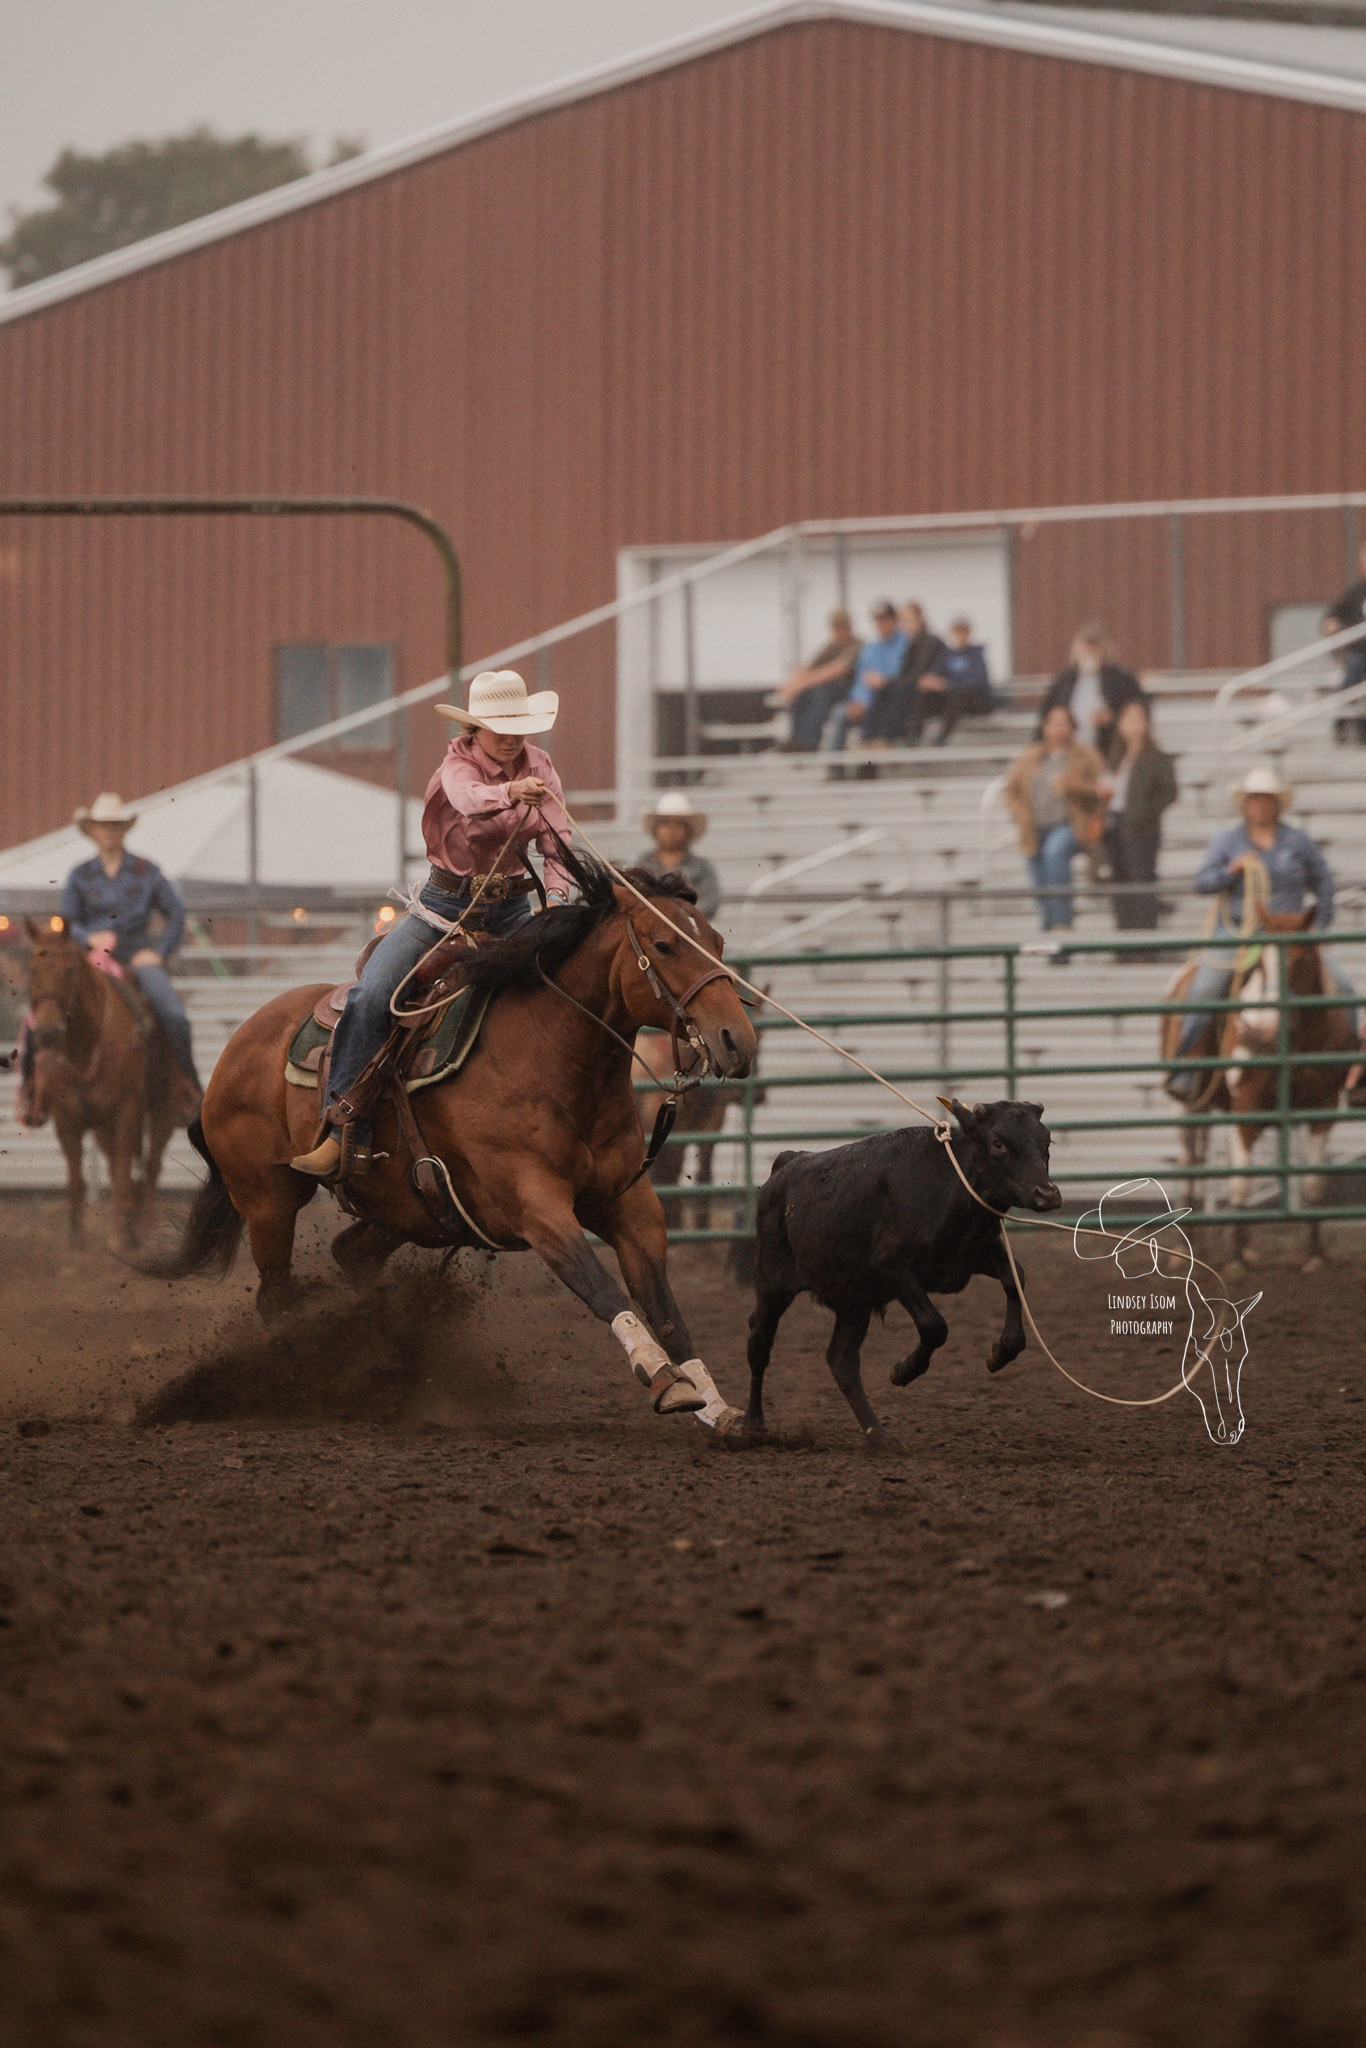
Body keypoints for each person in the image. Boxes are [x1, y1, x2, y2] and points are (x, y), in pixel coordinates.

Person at [291, 669, 574, 1178]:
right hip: (443, 910)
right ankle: (343, 1126)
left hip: (514, 908)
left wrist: (554, 902)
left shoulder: (541, 766)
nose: (510, 736)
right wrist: (513, 791)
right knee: (373, 994)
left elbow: (558, 845)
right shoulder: (457, 764)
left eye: (517, 724)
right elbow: (467, 800)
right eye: (498, 725)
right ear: (475, 729)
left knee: (560, 994)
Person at [1166, 764, 1353, 1100]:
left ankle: (1351, 1070)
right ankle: (1187, 1069)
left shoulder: (1297, 841)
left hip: (1293, 935)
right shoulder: (1228, 841)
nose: (1261, 805)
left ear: (1277, 803)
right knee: (1205, 987)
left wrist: (1319, 927)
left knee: (1343, 986)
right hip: (1240, 932)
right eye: (1255, 798)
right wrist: (1231, 870)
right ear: (1246, 803)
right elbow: (1202, 882)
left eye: (1267, 798)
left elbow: (1324, 882)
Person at [50, 791, 201, 1100]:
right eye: (102, 825)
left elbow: (176, 912)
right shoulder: (79, 875)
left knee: (174, 1016)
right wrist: (88, 938)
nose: (108, 831)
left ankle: (189, 1088)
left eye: (114, 825)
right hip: (93, 960)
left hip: (136, 957)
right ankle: (38, 1092)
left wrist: (158, 954)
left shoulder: (147, 871)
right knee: (44, 1014)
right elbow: (67, 922)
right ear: (92, 830)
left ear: (123, 829)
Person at [1002, 704, 1106, 955]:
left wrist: (1071, 785)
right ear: (1044, 727)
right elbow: (1011, 789)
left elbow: (1101, 790)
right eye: (1052, 723)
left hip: (1070, 825)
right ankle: (1049, 931)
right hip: (1035, 827)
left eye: (1063, 723)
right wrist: (1018, 811)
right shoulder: (1031, 756)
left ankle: (1062, 924)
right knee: (1039, 880)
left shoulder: (1085, 756)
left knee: (1055, 853)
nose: (1058, 729)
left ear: (1072, 726)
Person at [1100, 698, 1178, 940]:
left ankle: (1145, 941)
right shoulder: (1116, 757)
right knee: (1119, 883)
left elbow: (1169, 791)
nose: (1132, 725)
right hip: (1115, 826)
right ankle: (1124, 939)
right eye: (1127, 719)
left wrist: (1146, 812)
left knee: (1141, 882)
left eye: (1137, 719)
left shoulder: (1154, 757)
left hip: (1141, 830)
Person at [1039, 624, 1144, 755]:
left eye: (1093, 649)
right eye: (1084, 649)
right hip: (1069, 753)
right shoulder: (1064, 681)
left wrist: (1112, 717)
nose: (1088, 654)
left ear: (1104, 650)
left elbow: (1138, 709)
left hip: (1110, 751)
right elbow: (1047, 714)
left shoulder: (1122, 679)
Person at [823, 600, 906, 751]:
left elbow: (897, 677)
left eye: (885, 619)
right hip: (868, 701)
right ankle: (835, 767)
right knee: (840, 713)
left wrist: (880, 684)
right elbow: (861, 680)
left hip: (888, 701)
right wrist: (858, 701)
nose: (881, 624)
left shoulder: (905, 645)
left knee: (880, 707)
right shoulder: (870, 648)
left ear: (894, 620)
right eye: (878, 620)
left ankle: (870, 754)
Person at [863, 601, 945, 745]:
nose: (904, 625)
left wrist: (887, 681)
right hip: (915, 693)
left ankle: (885, 739)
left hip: (932, 697)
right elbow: (906, 676)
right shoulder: (909, 644)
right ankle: (868, 740)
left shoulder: (929, 642)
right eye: (902, 621)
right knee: (883, 692)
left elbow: (918, 676)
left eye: (908, 621)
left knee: (897, 691)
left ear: (920, 619)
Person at [780, 608, 861, 751]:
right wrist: (792, 685)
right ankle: (795, 740)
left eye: (842, 626)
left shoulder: (857, 645)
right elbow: (808, 668)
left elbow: (837, 669)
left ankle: (809, 743)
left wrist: (803, 682)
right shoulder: (831, 646)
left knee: (821, 692)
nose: (839, 631)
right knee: (802, 695)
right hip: (831, 691)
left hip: (849, 691)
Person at [636, 790, 720, 919]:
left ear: (687, 830)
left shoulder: (702, 867)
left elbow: (709, 904)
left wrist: (678, 914)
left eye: (678, 824)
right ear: (656, 828)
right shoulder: (641, 864)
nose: (671, 830)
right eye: (665, 823)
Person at [1322, 537, 1366, 745]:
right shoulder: (1355, 594)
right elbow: (1331, 619)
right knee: (1354, 667)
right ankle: (1343, 721)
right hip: (1359, 652)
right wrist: (1333, 626)